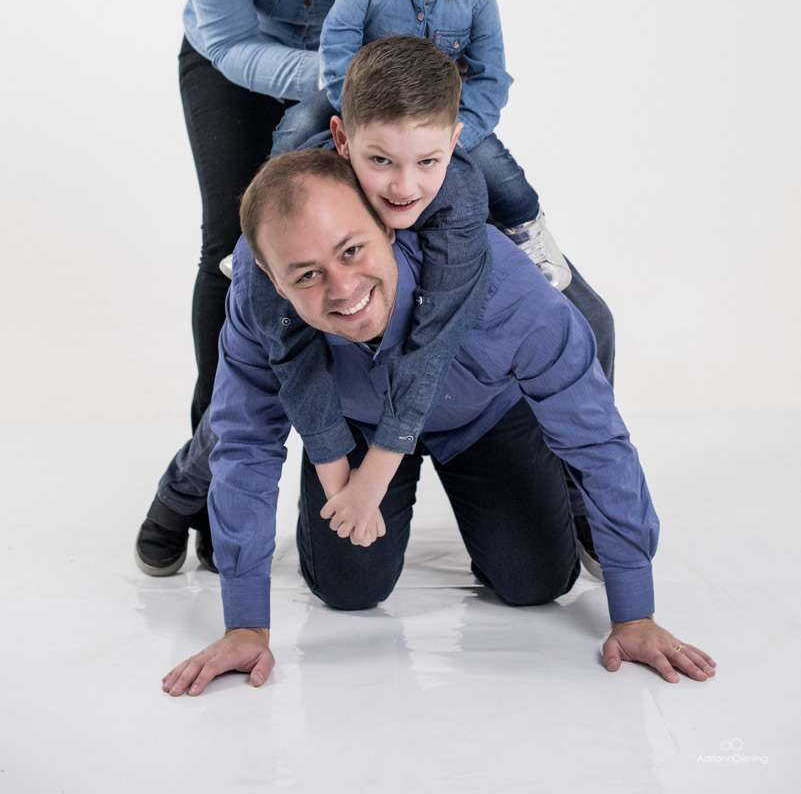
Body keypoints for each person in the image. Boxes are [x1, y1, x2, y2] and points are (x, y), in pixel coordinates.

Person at [161, 149, 717, 697]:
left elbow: (598, 441)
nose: (342, 288)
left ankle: (552, 513)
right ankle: (171, 503)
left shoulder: (505, 290)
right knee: (348, 589)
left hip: (485, 416)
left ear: (388, 226)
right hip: (353, 426)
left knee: (537, 583)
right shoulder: (259, 303)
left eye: (352, 250)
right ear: (272, 278)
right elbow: (244, 443)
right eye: (307, 275)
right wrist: (245, 624)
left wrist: (634, 612)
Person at [137, 36, 615, 572]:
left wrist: (372, 477)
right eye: (381, 162)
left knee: (591, 323)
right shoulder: (333, 166)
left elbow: (432, 345)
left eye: (427, 162)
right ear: (343, 143)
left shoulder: (454, 191)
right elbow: (282, 374)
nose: (403, 186)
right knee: (257, 378)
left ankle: (578, 506)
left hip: (405, 99)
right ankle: (181, 496)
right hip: (343, 94)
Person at [136, 0, 400, 573]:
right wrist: (335, 81)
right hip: (231, 62)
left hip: (340, 81)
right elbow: (229, 36)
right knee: (233, 246)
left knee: (335, 253)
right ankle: (211, 485)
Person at [271, 0, 572, 291]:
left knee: (497, 168)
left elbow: (491, 76)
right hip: (362, 103)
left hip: (435, 117)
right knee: (297, 128)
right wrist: (349, 111)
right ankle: (269, 225)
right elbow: (337, 43)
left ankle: (529, 232)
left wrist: (459, 135)